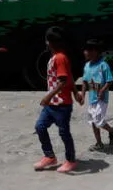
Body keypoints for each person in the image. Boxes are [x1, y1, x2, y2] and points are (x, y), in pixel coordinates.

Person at [34, 27, 82, 173]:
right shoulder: (55, 57)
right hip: (51, 105)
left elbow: (63, 81)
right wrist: (76, 92)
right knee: (40, 127)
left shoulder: (60, 58)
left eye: (47, 40)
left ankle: (71, 160)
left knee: (64, 133)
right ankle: (49, 156)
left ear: (50, 43)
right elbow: (70, 77)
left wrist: (48, 96)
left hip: (61, 104)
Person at [81, 39, 113, 151]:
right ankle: (99, 143)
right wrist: (83, 95)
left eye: (87, 50)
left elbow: (109, 80)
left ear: (94, 51)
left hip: (101, 99)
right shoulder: (87, 66)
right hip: (92, 99)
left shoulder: (103, 65)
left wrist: (103, 90)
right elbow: (84, 81)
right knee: (93, 121)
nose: (85, 52)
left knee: (98, 120)